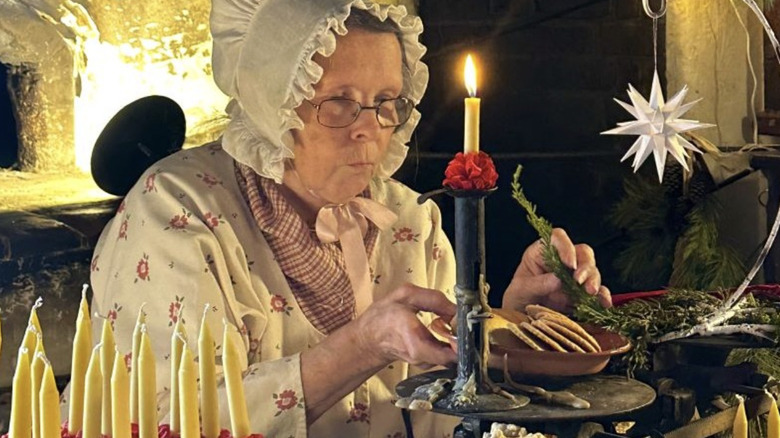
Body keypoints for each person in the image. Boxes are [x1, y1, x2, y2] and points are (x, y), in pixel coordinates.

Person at [88, 1, 612, 437]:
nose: (370, 130)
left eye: (385, 102)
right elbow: (165, 418)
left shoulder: (411, 222)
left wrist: (513, 334)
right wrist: (363, 345)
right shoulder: (177, 211)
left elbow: (443, 417)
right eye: (339, 102)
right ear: (278, 102)